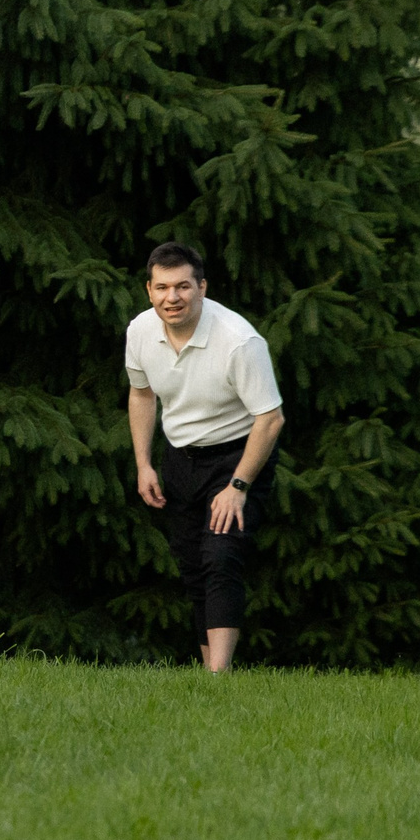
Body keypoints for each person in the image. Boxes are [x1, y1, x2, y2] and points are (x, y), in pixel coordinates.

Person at [126, 240, 285, 674]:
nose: (171, 298)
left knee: (221, 557)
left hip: (237, 457)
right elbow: (141, 395)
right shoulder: (140, 331)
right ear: (149, 289)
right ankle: (209, 677)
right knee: (194, 565)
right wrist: (144, 463)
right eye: (161, 288)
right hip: (180, 458)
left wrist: (238, 487)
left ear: (202, 288)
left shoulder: (238, 341)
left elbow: (270, 419)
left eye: (182, 287)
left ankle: (219, 678)